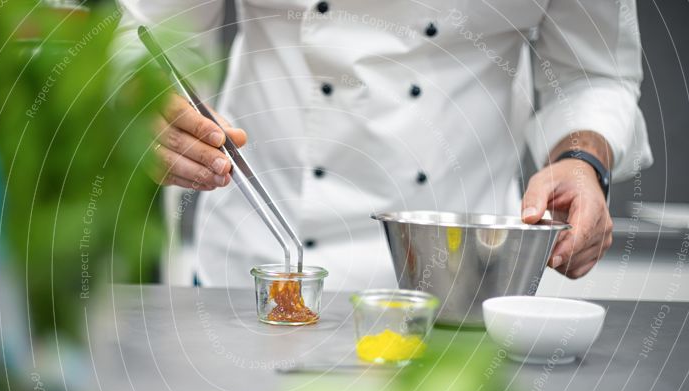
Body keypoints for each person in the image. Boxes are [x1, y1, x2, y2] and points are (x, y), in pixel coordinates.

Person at [115, 0, 651, 290]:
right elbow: (146, 34)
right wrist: (143, 104)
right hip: (260, 267)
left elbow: (594, 72)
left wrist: (582, 161)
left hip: (462, 279)